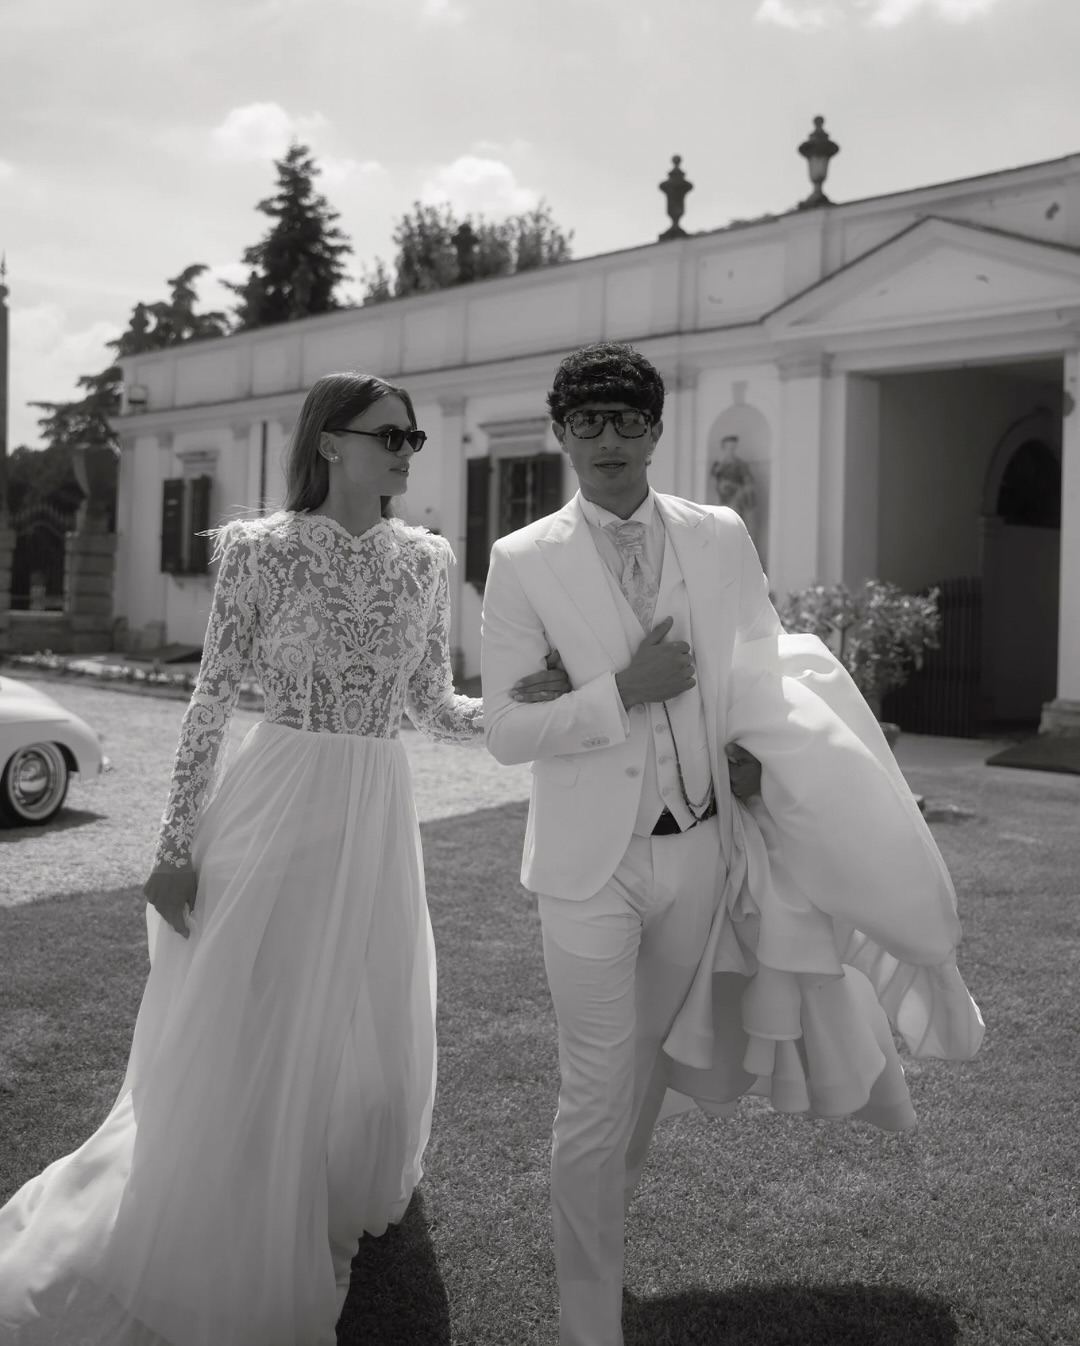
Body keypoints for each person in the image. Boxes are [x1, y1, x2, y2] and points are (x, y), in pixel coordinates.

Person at [0, 371, 569, 1346]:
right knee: (255, 998)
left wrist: (531, 703)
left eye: (414, 437)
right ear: (330, 442)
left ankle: (324, 1168)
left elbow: (431, 703)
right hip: (275, 799)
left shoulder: (427, 561)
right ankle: (232, 1183)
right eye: (388, 433)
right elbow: (210, 701)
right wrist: (174, 847)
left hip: (378, 808)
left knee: (366, 996)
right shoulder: (259, 553)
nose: (405, 449)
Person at [480, 342, 985, 1346]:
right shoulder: (522, 557)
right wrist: (622, 688)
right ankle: (589, 1324)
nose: (610, 440)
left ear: (658, 430)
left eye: (628, 420)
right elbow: (502, 729)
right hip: (589, 864)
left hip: (701, 852)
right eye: (589, 422)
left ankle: (602, 1239)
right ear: (562, 433)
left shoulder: (719, 535)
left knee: (643, 1077)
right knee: (593, 1083)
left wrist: (754, 755)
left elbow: (758, 663)